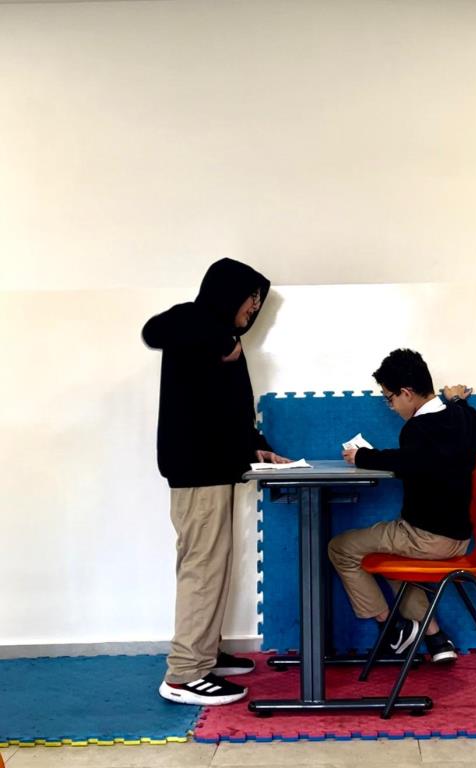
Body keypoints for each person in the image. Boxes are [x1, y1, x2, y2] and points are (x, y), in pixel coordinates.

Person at [142, 258, 289, 706]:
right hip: (197, 470)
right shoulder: (194, 324)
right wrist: (219, 337)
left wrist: (256, 446)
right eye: (251, 298)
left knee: (213, 567)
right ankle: (185, 673)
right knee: (203, 569)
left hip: (215, 469)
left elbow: (228, 408)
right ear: (228, 295)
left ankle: (203, 654)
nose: (254, 308)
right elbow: (154, 329)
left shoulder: (222, 341)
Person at [328, 348, 476, 663]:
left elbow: (408, 463)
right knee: (391, 557)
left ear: (406, 393)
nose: (391, 407)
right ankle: (436, 638)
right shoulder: (461, 417)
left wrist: (362, 456)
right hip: (460, 538)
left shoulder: (417, 428)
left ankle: (393, 628)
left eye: (389, 399)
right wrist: (458, 401)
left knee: (340, 548)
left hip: (425, 537)